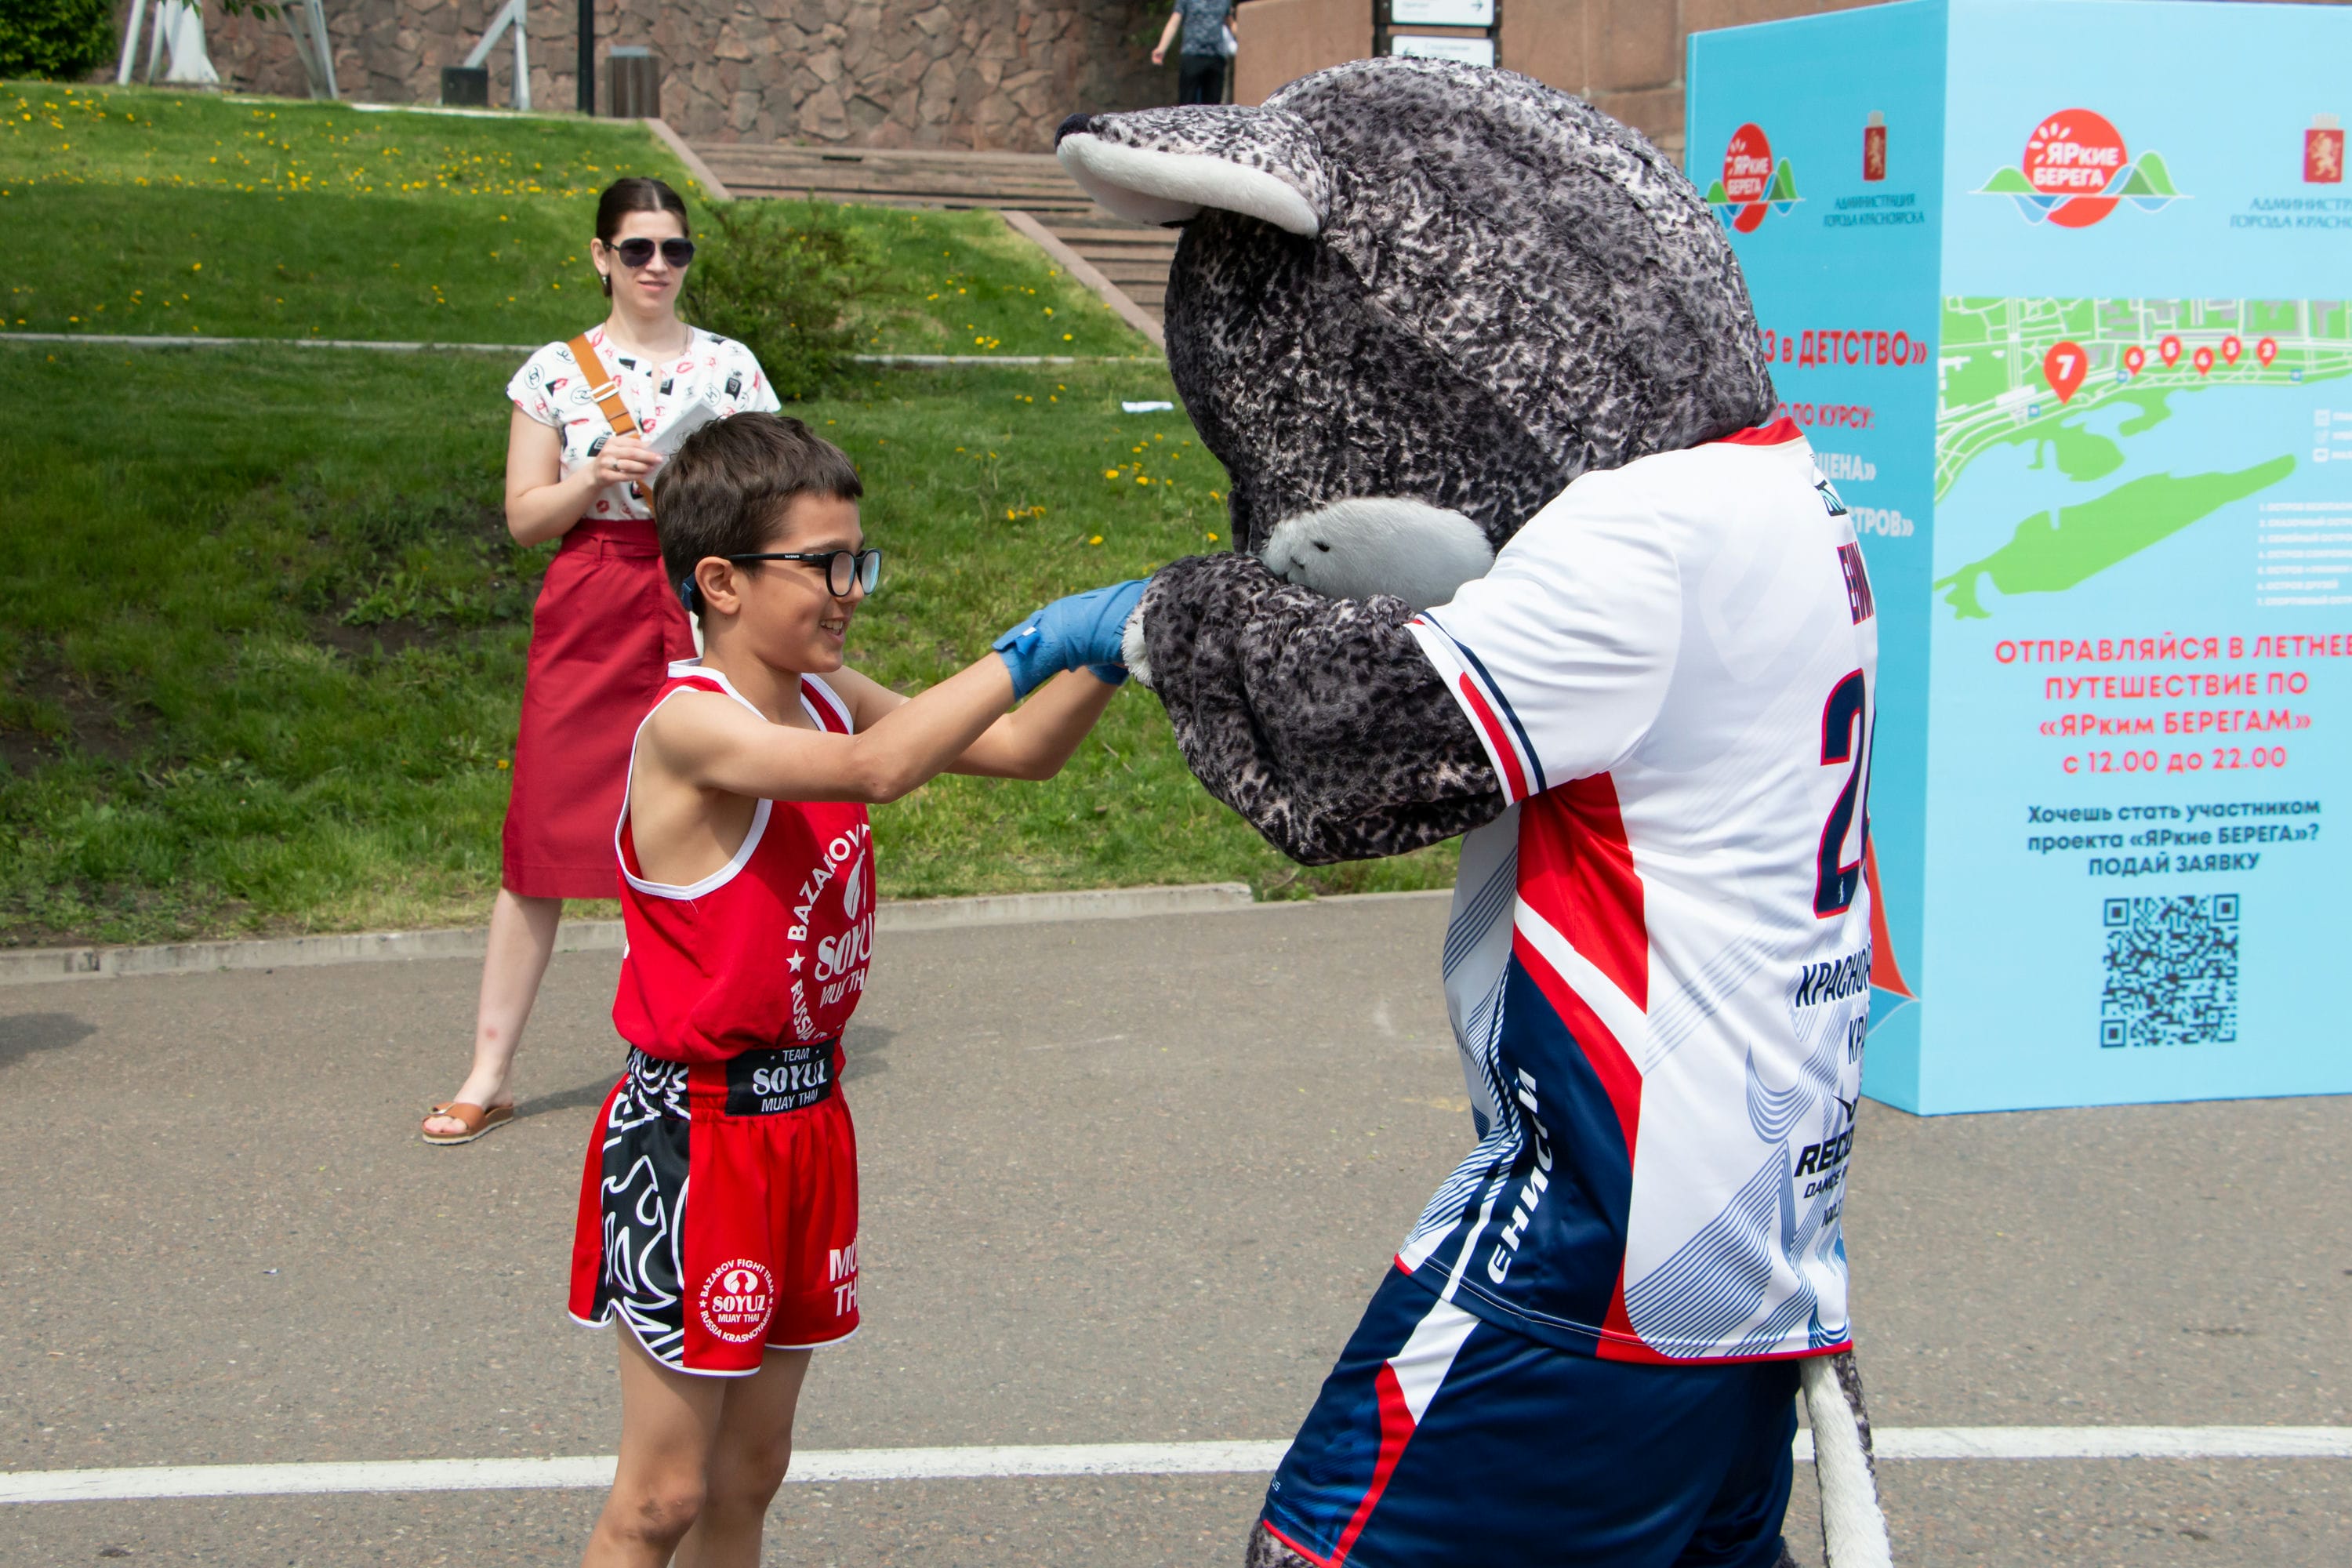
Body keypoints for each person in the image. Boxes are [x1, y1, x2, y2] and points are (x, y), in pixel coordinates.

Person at [568, 412, 1141, 1566]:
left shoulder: (821, 690)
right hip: (698, 1132)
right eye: (823, 565)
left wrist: (1115, 648)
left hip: (808, 1125)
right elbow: (883, 772)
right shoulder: (688, 725)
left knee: (750, 1475)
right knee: (661, 1499)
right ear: (720, 582)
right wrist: (1035, 640)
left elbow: (1024, 752)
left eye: (857, 560)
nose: (850, 589)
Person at [425, 176, 779, 1145]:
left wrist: (699, 482)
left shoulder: (731, 367)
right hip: (590, 601)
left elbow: (773, 496)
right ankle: (488, 1072)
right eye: (637, 250)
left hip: (695, 595)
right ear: (600, 257)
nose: (658, 267)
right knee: (540, 841)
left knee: (693, 839)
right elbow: (523, 518)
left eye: (676, 250)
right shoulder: (553, 370)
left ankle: (679, 1060)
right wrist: (589, 476)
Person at [1151, 0, 1236, 107]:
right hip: (1192, 54)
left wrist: (1248, 38)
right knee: (1187, 103)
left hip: (1216, 57)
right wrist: (1161, 48)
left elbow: (1230, 23)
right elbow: (1174, 22)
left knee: (1213, 106)